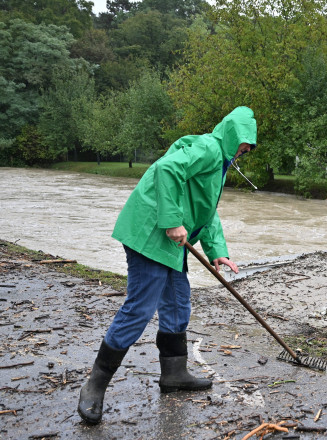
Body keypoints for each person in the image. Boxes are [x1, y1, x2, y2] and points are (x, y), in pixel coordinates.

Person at [77, 106, 258, 425]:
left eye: (250, 146)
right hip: (151, 232)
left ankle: (174, 374)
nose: (246, 149)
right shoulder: (208, 149)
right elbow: (166, 170)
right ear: (231, 135)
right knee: (140, 309)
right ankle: (95, 385)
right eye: (244, 142)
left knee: (177, 303)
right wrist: (173, 221)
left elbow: (207, 211)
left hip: (170, 240)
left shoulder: (220, 163)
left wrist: (217, 250)